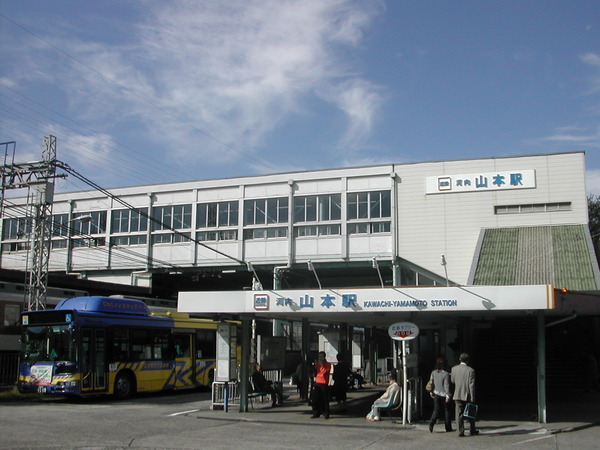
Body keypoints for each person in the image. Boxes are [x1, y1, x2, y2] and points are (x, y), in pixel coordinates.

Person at [450, 353, 478, 437]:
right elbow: (471, 384)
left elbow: (452, 381)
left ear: (459, 359)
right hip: (467, 394)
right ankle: (472, 429)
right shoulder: (470, 370)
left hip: (457, 393)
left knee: (458, 413)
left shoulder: (454, 369)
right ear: (468, 360)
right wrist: (472, 396)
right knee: (470, 412)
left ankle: (460, 431)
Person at [428, 357, 453, 433]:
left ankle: (432, 422)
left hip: (436, 393)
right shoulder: (446, 374)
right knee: (447, 410)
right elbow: (446, 385)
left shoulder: (433, 372)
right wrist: (448, 395)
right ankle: (448, 426)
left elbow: (431, 383)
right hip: (444, 394)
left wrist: (431, 392)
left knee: (436, 409)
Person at [311, 351, 331, 419]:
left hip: (324, 383)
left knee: (324, 399)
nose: (320, 358)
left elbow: (325, 372)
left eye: (321, 357)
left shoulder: (328, 364)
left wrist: (320, 363)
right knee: (316, 399)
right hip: (317, 382)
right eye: (319, 357)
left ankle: (325, 413)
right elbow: (315, 373)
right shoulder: (317, 365)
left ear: (324, 357)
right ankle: (316, 413)